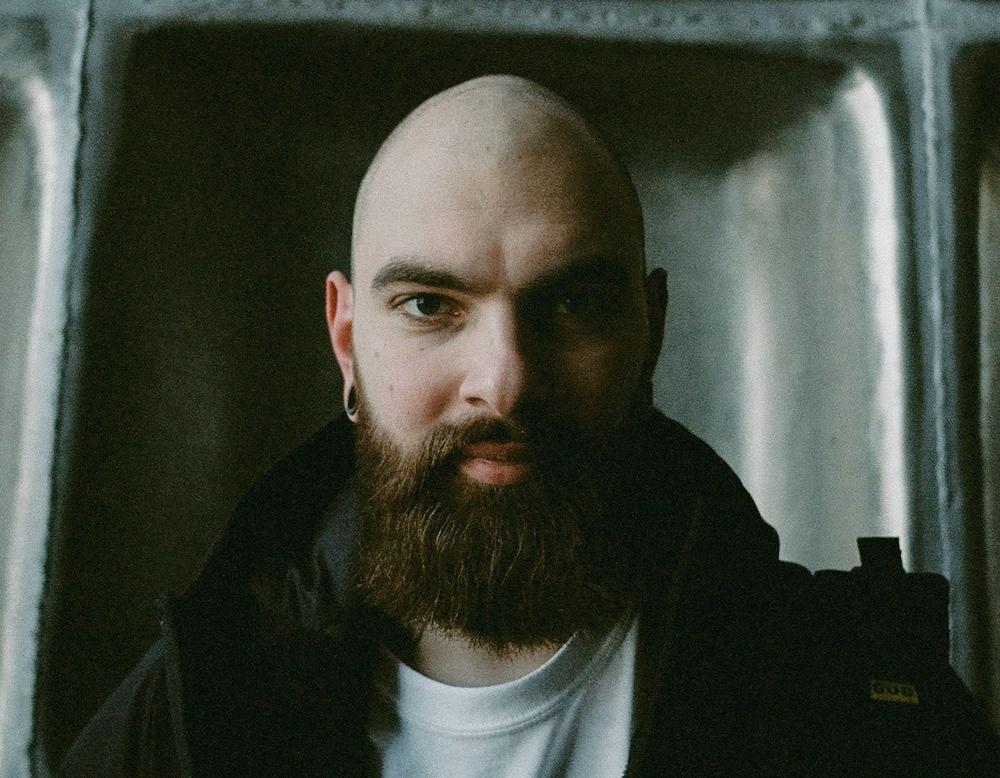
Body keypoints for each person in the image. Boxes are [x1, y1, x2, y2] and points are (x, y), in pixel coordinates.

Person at [61, 75, 998, 776]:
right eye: (430, 305)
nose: (505, 383)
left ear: (650, 329)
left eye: (573, 305)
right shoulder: (190, 717)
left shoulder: (855, 708)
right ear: (347, 340)